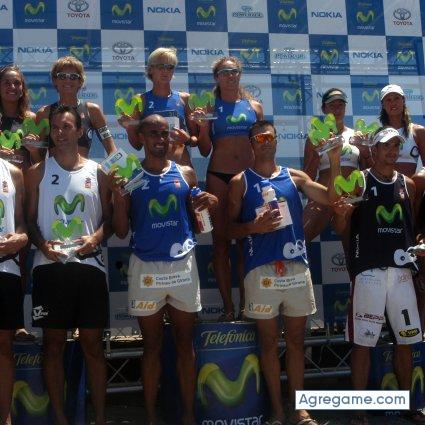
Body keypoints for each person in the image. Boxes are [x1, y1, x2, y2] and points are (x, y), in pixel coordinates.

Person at [227, 120, 340, 425]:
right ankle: (277, 410)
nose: (264, 141)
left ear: (277, 141)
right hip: (260, 271)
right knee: (267, 344)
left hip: (296, 268)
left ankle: (299, 409)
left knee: (296, 341)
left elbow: (331, 199)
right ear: (251, 144)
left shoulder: (295, 176)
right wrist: (252, 227)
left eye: (269, 137)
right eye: (258, 138)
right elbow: (226, 230)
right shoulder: (240, 181)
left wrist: (334, 159)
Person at [111, 114, 217, 425]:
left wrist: (207, 204)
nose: (160, 138)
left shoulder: (185, 172)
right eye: (153, 133)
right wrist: (118, 199)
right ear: (141, 138)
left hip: (182, 265)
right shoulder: (130, 176)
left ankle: (188, 416)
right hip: (146, 268)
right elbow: (120, 231)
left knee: (185, 343)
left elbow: (200, 224)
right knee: (151, 346)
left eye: (164, 133)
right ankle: (151, 418)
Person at [26, 104, 112, 425]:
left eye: (66, 127)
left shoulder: (98, 171)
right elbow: (28, 221)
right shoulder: (37, 171)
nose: (60, 133)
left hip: (90, 268)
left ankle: (100, 419)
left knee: (93, 347)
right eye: (55, 128)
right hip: (50, 269)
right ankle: (61, 419)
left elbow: (110, 221)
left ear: (80, 131)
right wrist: (42, 245)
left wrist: (96, 238)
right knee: (53, 346)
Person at [341, 127, 423, 425]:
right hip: (369, 273)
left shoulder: (408, 185)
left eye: (395, 146)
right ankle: (358, 410)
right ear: (373, 150)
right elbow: (342, 226)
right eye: (385, 146)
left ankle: (408, 405)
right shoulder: (359, 181)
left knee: (406, 341)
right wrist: (355, 261)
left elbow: (411, 228)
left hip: (402, 274)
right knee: (363, 343)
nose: (391, 151)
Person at [195, 56, 263, 320]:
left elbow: (262, 145)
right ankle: (227, 308)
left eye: (234, 71)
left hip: (247, 178)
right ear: (217, 77)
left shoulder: (254, 107)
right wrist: (203, 127)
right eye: (224, 72)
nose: (230, 76)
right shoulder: (209, 107)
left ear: (240, 74)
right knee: (220, 242)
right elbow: (204, 149)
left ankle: (247, 305)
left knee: (247, 242)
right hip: (219, 177)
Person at [303, 88, 372, 251]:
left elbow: (368, 174)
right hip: (324, 195)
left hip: (351, 197)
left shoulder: (356, 135)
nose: (337, 109)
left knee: (353, 250)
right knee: (300, 238)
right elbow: (306, 178)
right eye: (332, 105)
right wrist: (316, 155)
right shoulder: (314, 137)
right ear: (324, 109)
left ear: (345, 108)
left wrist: (365, 153)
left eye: (340, 105)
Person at [118, 47, 197, 166]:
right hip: (154, 169)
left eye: (170, 67)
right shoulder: (140, 100)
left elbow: (196, 140)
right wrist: (129, 128)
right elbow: (137, 145)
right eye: (161, 67)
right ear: (151, 69)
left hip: (181, 167)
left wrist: (188, 140)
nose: (165, 71)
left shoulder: (185, 98)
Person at [36, 56, 116, 158]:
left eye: (73, 77)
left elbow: (112, 149)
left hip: (84, 168)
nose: (67, 80)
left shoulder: (92, 111)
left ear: (80, 82)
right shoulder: (44, 113)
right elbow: (38, 156)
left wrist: (115, 165)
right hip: (53, 168)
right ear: (55, 80)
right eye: (62, 76)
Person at [0, 157, 28, 424]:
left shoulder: (14, 172)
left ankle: (4, 417)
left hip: (6, 269)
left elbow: (20, 222)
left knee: (4, 347)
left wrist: (21, 236)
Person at [379, 84, 425, 178]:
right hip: (383, 185)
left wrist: (418, 180)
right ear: (383, 105)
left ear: (403, 101)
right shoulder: (378, 134)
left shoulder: (418, 131)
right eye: (388, 100)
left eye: (396, 98)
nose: (393, 103)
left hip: (411, 186)